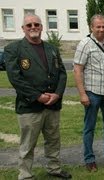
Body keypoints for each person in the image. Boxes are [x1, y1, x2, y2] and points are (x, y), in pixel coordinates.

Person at [4, 13, 71, 179]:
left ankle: (54, 169)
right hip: (30, 106)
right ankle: (25, 175)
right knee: (28, 144)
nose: (33, 27)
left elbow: (62, 73)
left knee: (53, 140)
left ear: (41, 27)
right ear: (23, 29)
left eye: (36, 24)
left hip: (52, 104)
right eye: (29, 25)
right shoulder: (14, 49)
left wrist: (57, 94)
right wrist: (37, 96)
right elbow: (15, 78)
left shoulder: (52, 48)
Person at [73, 14, 104, 172]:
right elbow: (77, 70)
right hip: (92, 92)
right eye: (98, 26)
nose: (101, 29)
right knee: (89, 127)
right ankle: (89, 158)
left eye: (103, 26)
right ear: (91, 27)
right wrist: (82, 94)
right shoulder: (85, 44)